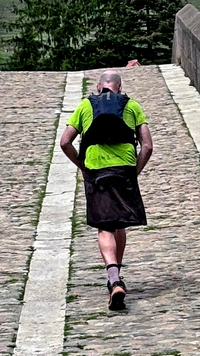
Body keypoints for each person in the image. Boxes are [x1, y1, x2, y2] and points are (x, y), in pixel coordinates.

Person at [60, 71, 153, 312]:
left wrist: (81, 165)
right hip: (124, 169)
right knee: (119, 222)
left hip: (96, 169)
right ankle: (117, 277)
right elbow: (147, 145)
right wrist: (136, 170)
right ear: (120, 88)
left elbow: (64, 142)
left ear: (98, 87)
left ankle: (113, 279)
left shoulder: (84, 106)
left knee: (105, 226)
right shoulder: (132, 106)